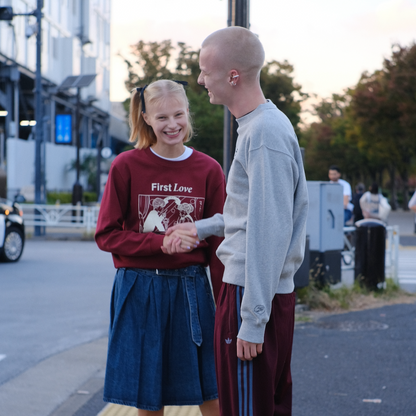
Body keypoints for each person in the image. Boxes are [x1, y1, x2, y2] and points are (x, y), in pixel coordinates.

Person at [164, 27, 308, 416]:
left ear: (232, 76)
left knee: (246, 408)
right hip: (258, 292)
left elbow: (268, 231)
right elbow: (253, 215)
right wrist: (204, 227)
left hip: (250, 292)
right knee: (264, 405)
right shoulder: (263, 126)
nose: (198, 80)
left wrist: (252, 319)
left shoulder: (262, 134)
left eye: (204, 70)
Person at [95, 79, 226, 416]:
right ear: (147, 119)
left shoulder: (209, 169)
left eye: (178, 115)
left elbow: (222, 241)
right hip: (139, 287)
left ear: (188, 114)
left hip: (192, 288)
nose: (172, 125)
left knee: (211, 389)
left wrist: (229, 302)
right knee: (148, 394)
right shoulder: (126, 165)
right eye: (162, 117)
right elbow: (106, 234)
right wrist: (159, 242)